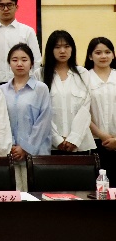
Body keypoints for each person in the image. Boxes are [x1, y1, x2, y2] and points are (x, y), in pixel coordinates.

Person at [1, 43, 52, 191]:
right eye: (14, 60)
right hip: (9, 154)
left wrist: (25, 148)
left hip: (35, 154)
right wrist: (10, 146)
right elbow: (1, 121)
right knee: (13, 196)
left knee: (35, 196)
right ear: (9, 63)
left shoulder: (41, 89)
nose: (19, 64)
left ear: (31, 63)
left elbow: (44, 122)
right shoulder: (1, 90)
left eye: (24, 59)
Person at [39, 30, 94, 154]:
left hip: (80, 144)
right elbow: (41, 111)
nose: (62, 51)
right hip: (50, 145)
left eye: (67, 46)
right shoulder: (40, 74)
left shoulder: (82, 73)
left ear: (72, 48)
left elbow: (85, 108)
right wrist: (57, 139)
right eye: (57, 47)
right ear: (50, 50)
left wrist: (74, 139)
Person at [0, 0, 41, 85]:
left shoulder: (27, 31)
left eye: (9, 5)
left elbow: (36, 60)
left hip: (23, 83)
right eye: (1, 6)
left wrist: (33, 83)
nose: (5, 9)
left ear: (16, 7)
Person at [85, 37, 116, 174]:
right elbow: (82, 111)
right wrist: (101, 135)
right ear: (90, 56)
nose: (103, 56)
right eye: (98, 53)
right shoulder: (85, 78)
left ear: (113, 55)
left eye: (107, 52)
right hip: (94, 141)